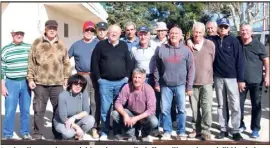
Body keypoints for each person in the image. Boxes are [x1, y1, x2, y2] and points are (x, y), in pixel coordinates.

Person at [27, 20, 70, 139]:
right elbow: (31, 62)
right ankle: (37, 134)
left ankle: (57, 134)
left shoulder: (61, 44)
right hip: (40, 83)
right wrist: (30, 79)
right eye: (49, 28)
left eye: (54, 28)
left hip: (57, 84)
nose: (52, 30)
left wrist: (66, 78)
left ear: (57, 30)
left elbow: (66, 63)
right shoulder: (37, 42)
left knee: (58, 110)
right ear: (45, 29)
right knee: (39, 110)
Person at [91, 24, 132, 140]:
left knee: (119, 109)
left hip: (121, 83)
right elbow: (94, 63)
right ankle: (104, 131)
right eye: (112, 32)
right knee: (105, 109)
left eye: (116, 32)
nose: (114, 34)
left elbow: (129, 63)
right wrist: (99, 79)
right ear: (108, 33)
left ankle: (117, 131)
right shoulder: (100, 45)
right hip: (105, 83)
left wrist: (127, 78)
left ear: (120, 34)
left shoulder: (124, 45)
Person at [154, 27, 195, 140]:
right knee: (165, 109)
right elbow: (157, 67)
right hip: (165, 85)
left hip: (180, 85)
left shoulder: (186, 50)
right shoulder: (161, 49)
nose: (174, 35)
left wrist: (189, 86)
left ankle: (181, 131)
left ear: (181, 35)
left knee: (181, 109)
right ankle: (167, 131)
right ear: (168, 35)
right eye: (172, 33)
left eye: (176, 33)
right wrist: (156, 83)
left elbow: (191, 68)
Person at [212, 18, 244, 141]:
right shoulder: (213, 40)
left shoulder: (234, 41)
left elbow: (240, 61)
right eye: (221, 26)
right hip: (218, 77)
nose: (223, 29)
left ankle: (235, 130)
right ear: (218, 28)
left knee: (235, 105)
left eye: (225, 27)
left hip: (232, 78)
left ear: (229, 28)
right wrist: (189, 40)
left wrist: (241, 79)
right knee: (221, 105)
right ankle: (223, 129)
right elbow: (197, 39)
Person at [68, 21, 100, 138]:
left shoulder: (98, 44)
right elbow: (66, 59)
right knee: (82, 103)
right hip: (81, 77)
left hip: (94, 76)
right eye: (87, 30)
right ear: (83, 31)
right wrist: (68, 76)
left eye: (92, 30)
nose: (89, 32)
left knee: (94, 102)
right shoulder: (76, 45)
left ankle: (95, 127)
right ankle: (80, 127)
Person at [238, 23, 270, 138]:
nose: (244, 32)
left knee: (256, 105)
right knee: (238, 105)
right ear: (239, 31)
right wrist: (190, 40)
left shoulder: (258, 45)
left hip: (256, 81)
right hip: (241, 82)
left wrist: (267, 76)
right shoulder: (237, 42)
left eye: (246, 30)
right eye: (242, 30)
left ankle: (255, 128)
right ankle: (240, 125)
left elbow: (266, 61)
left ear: (251, 32)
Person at [111, 68, 158, 142]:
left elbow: (151, 109)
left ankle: (144, 134)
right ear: (132, 77)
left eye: (139, 77)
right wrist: (125, 115)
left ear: (144, 79)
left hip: (144, 115)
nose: (136, 80)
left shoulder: (149, 89)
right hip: (131, 113)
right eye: (135, 77)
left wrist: (137, 118)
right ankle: (131, 133)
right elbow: (117, 103)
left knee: (154, 121)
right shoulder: (127, 87)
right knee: (114, 114)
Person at [1, 28, 32, 140]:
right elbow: (1, 69)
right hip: (11, 83)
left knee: (25, 110)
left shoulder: (29, 48)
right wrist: (2, 86)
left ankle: (25, 132)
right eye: (17, 33)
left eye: (21, 33)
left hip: (25, 82)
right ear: (12, 34)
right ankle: (7, 134)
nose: (19, 35)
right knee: (9, 110)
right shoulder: (5, 49)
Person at [188, 22, 215, 140]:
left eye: (199, 32)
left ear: (203, 33)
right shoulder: (188, 45)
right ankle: (196, 129)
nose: (197, 34)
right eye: (195, 32)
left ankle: (206, 130)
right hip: (193, 83)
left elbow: (212, 60)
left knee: (206, 108)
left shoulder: (210, 44)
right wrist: (188, 40)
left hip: (207, 82)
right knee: (194, 109)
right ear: (192, 32)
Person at [53, 74, 95, 140]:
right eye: (76, 83)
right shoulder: (63, 95)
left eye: (81, 84)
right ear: (71, 84)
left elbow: (86, 111)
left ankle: (78, 135)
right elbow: (63, 117)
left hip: (76, 120)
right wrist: (77, 127)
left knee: (91, 119)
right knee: (69, 133)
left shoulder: (84, 94)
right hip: (62, 122)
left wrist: (74, 117)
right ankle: (73, 134)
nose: (78, 86)